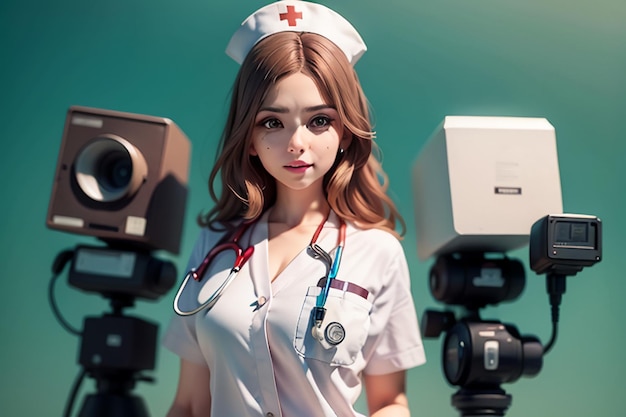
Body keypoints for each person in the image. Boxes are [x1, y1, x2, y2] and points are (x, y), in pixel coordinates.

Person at [163, 1, 426, 416]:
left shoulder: (378, 253)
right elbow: (191, 404)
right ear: (248, 137)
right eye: (272, 122)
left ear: (344, 131)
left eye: (319, 120)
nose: (296, 143)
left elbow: (390, 402)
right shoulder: (213, 246)